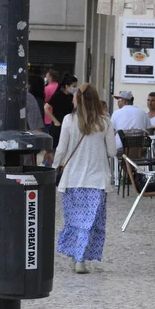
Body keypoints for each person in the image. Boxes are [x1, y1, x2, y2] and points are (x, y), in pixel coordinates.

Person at [53, 83, 117, 274]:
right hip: (96, 181)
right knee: (89, 223)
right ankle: (80, 259)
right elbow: (112, 152)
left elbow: (61, 149)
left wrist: (54, 166)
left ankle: (76, 257)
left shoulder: (68, 120)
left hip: (72, 179)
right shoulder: (105, 122)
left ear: (77, 99)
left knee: (74, 221)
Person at [45, 74, 77, 149]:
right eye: (73, 86)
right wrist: (55, 121)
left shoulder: (72, 97)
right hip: (58, 126)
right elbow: (46, 108)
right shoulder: (58, 95)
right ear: (67, 86)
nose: (75, 89)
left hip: (69, 125)